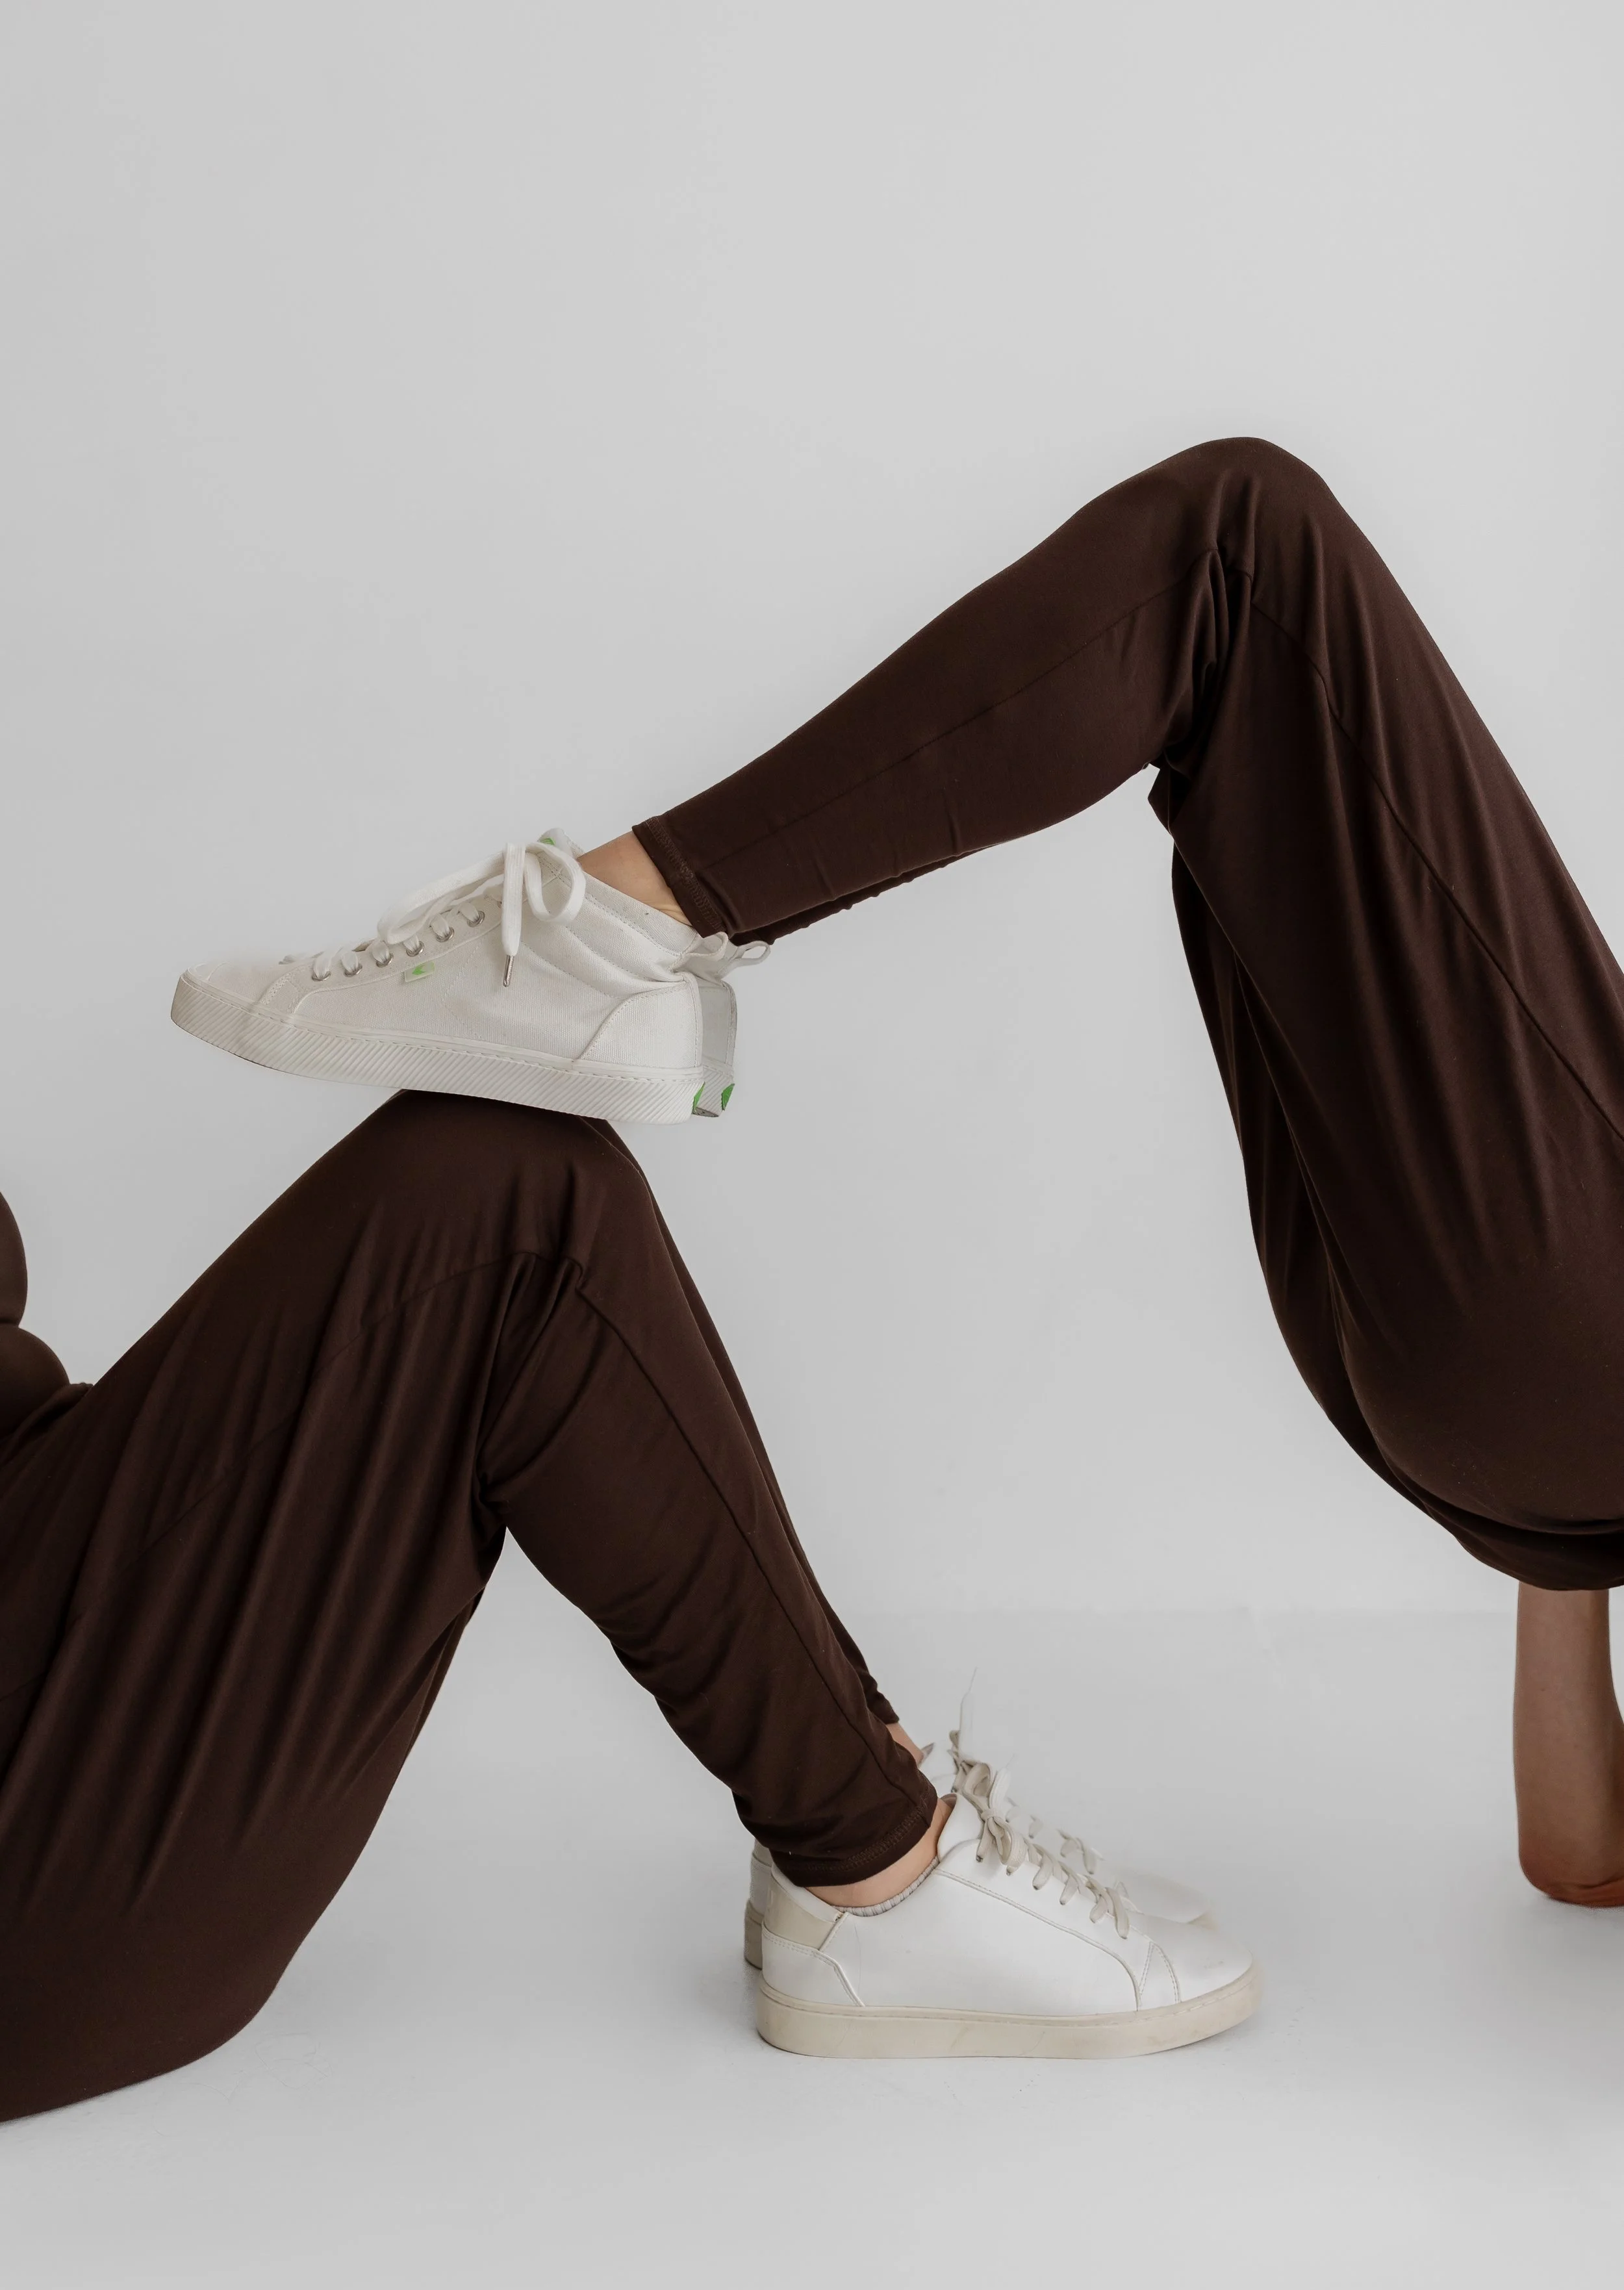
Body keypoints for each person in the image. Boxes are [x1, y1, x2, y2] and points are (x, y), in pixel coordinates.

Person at [3, 437, 1621, 2120]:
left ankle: (596, 931)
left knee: (1238, 565)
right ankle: (595, 933)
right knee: (1238, 595)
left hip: (1487, 1436)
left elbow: (1578, 1853)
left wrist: (1553, 1488)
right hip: (1535, 1436)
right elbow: (1582, 1860)